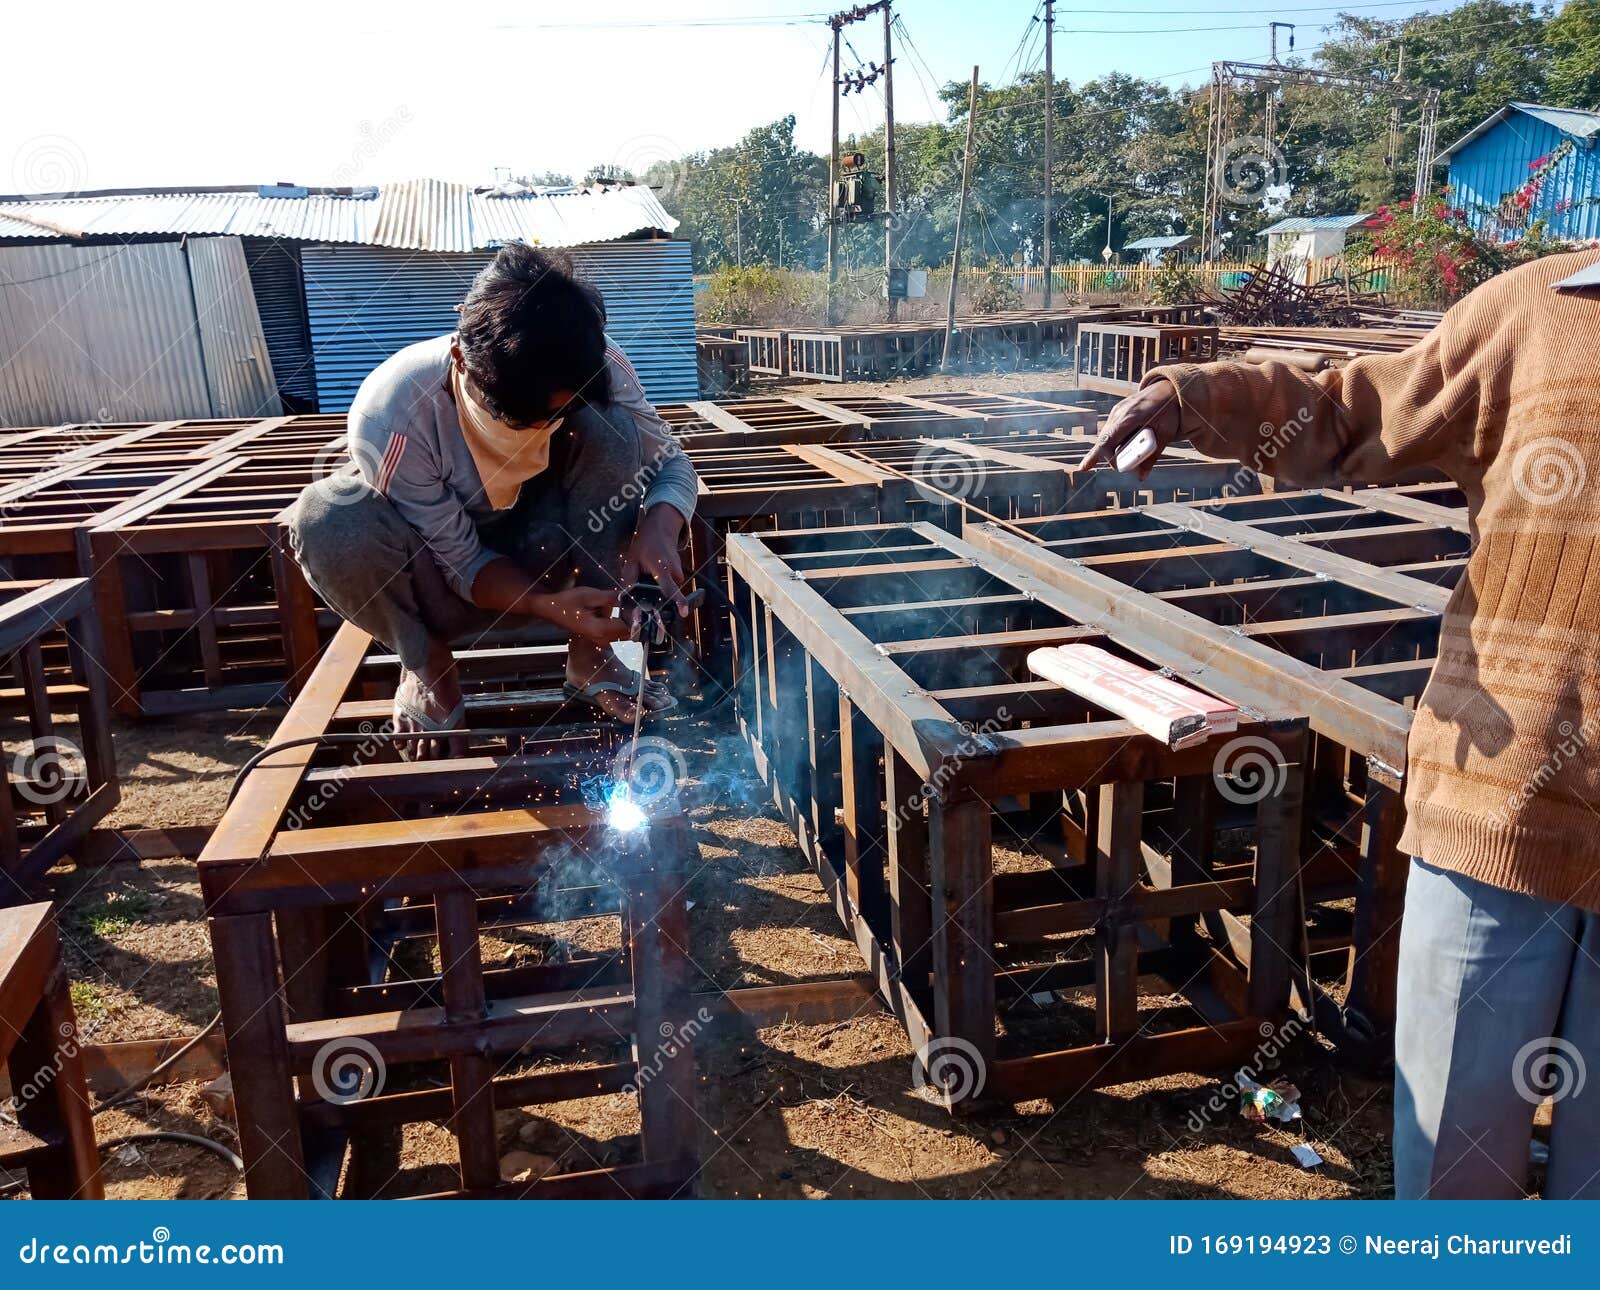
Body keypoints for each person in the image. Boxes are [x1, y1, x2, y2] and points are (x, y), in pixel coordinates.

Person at [1084, 248, 1600, 1200]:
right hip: (1504, 799)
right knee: (1458, 1153)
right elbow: (1349, 409)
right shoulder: (1546, 307)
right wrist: (1195, 395)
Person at [289, 243, 697, 756]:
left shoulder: (599, 363)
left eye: (553, 416)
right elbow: (462, 561)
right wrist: (543, 605)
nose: (538, 430)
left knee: (613, 428)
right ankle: (427, 663)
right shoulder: (393, 413)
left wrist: (659, 525)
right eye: (520, 418)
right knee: (327, 513)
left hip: (550, 559)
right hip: (443, 584)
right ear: (462, 358)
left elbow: (672, 463)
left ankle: (591, 651)